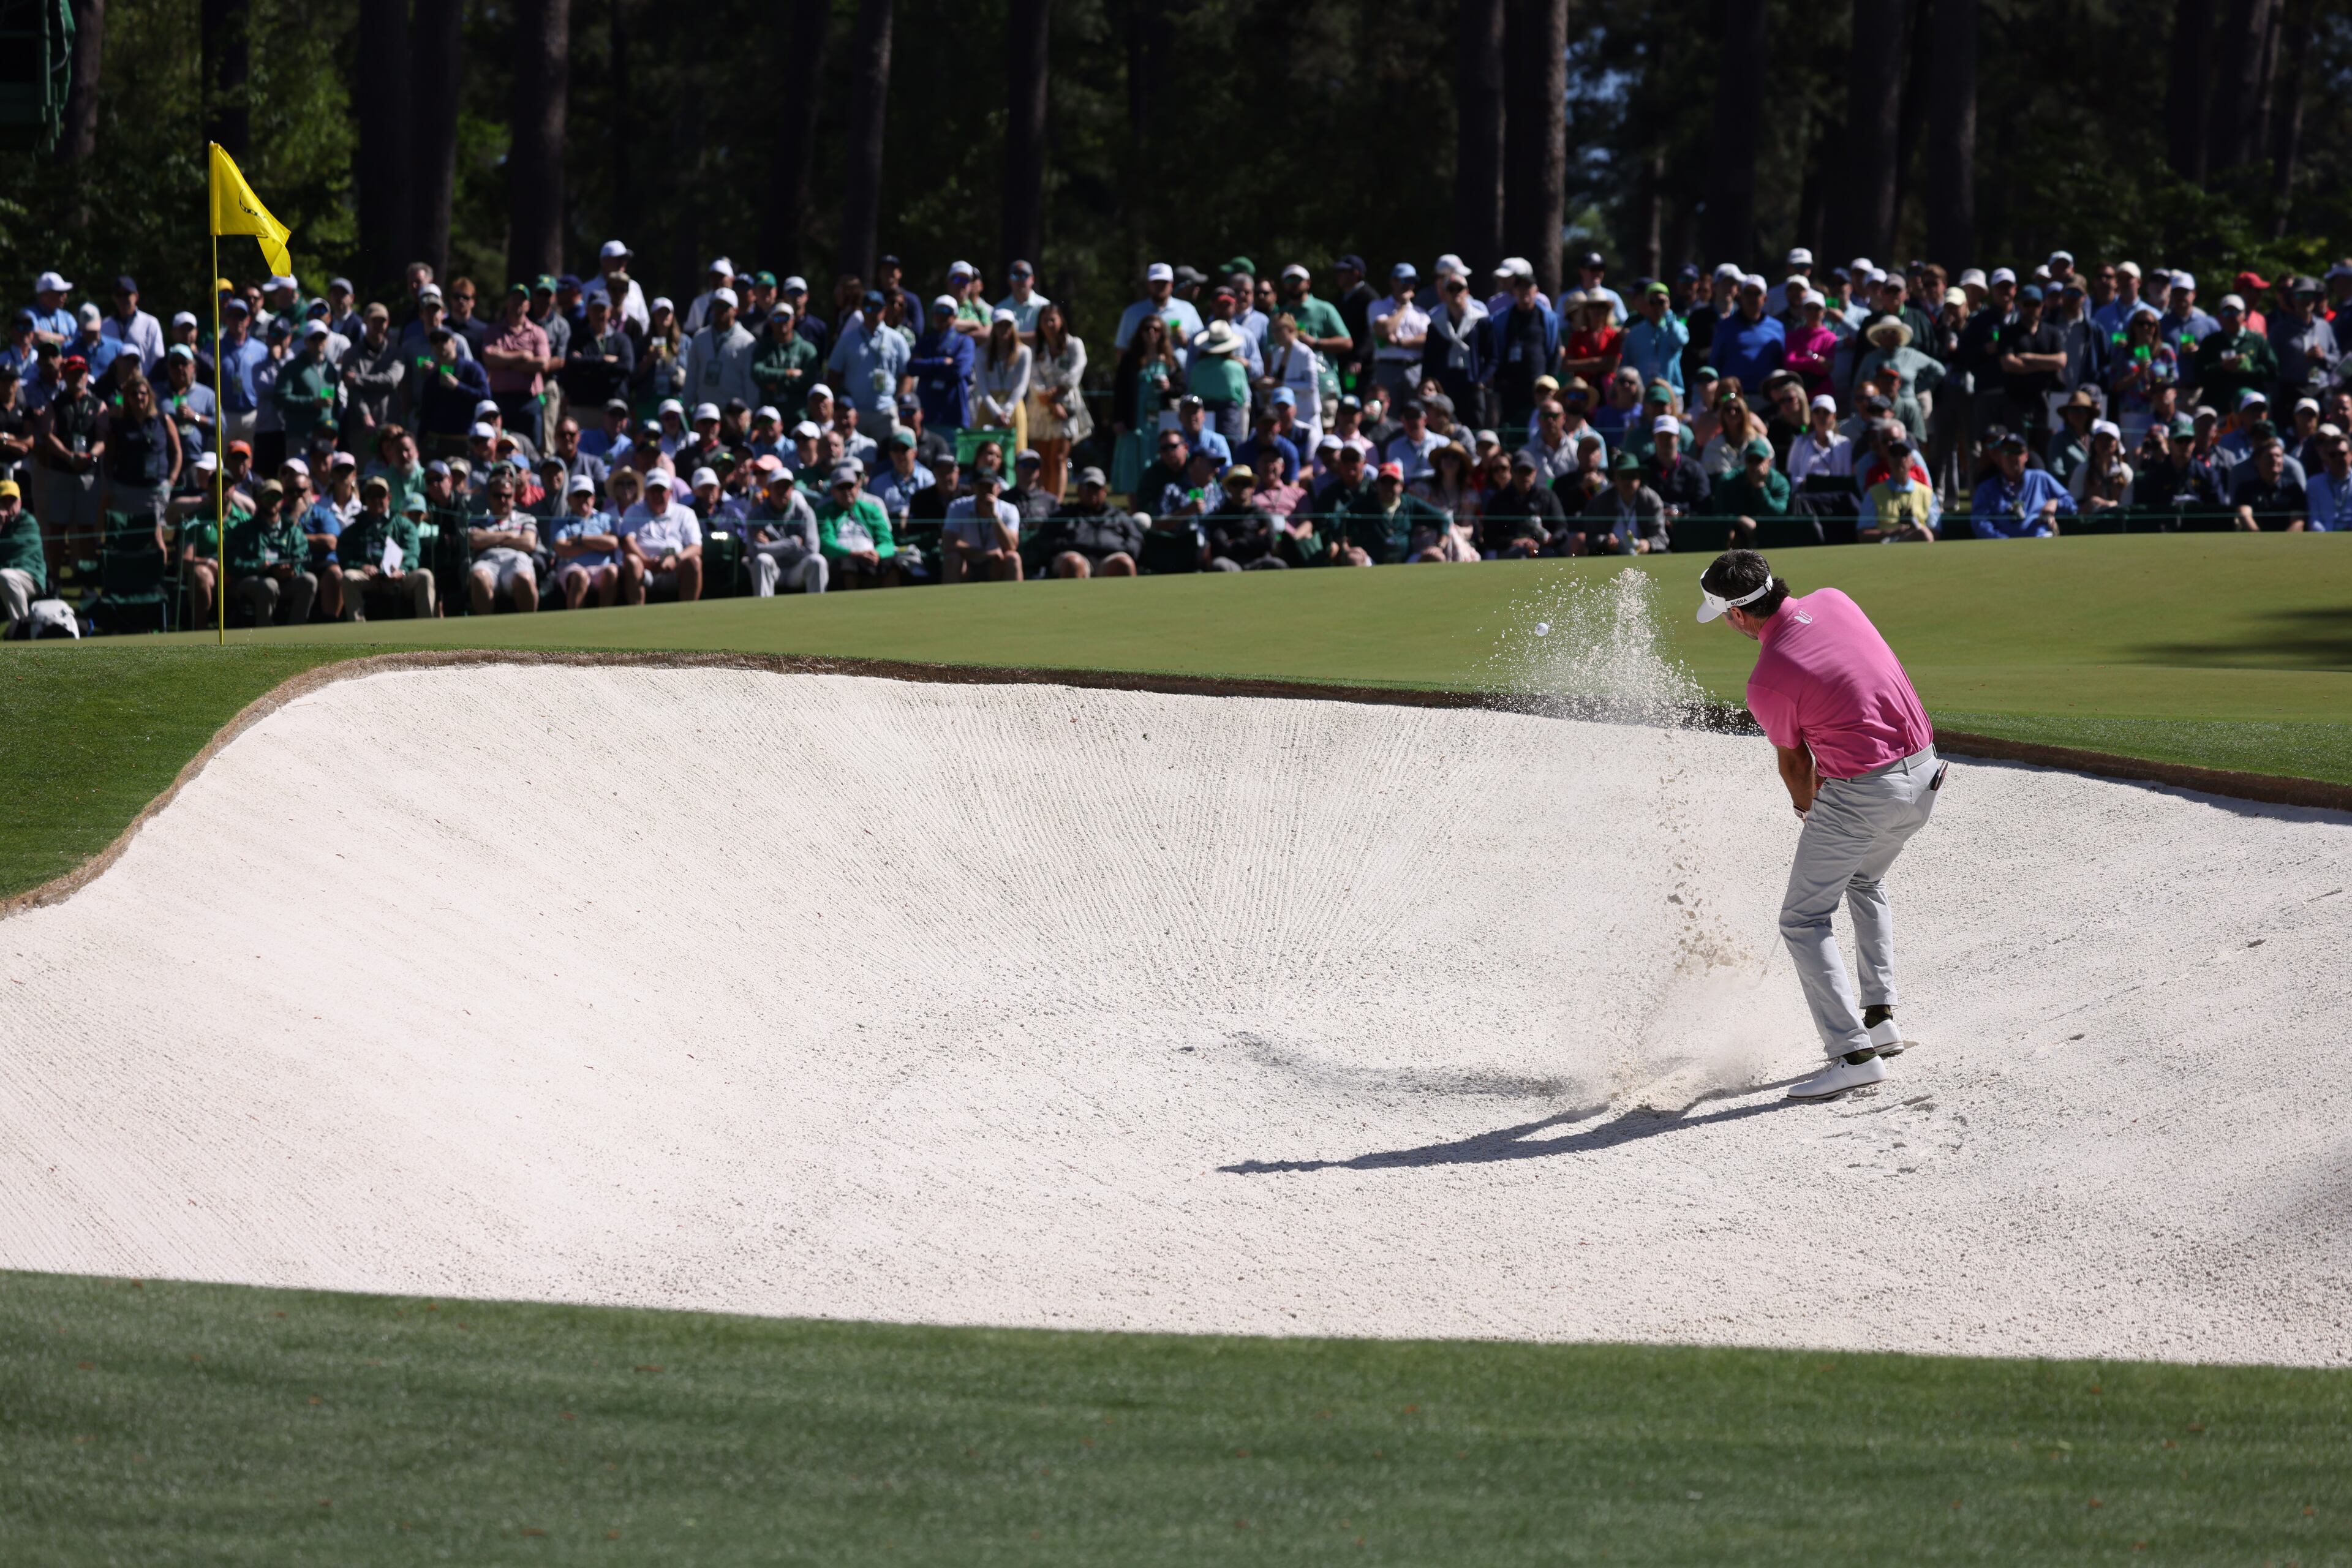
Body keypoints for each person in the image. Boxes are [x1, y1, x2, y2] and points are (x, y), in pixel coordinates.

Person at [1698, 548, 1942, 1101]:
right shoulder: (1835, 599)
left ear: (1738, 615)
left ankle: (1853, 1055)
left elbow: (1795, 764)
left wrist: (1810, 812)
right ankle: (1881, 1020)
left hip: (1866, 794)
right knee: (1864, 879)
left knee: (1803, 920)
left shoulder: (1766, 680)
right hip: (1926, 773)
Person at [335, 475, 435, 619]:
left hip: (399, 576)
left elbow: (413, 554)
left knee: (425, 575)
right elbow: (344, 558)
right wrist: (362, 566)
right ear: (366, 499)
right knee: (349, 577)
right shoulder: (355, 528)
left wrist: (404, 570)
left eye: (381, 495)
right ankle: (357, 629)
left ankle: (427, 629)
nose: (377, 500)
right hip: (370, 577)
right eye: (372, 496)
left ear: (389, 498)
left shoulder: (404, 524)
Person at [225, 479, 316, 625]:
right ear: (259, 500)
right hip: (252, 580)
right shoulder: (243, 530)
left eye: (277, 497)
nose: (272, 501)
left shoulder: (292, 530)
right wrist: (259, 566)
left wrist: (293, 571)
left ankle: (296, 633)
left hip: (286, 582)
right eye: (268, 497)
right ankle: (266, 635)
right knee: (269, 584)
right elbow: (232, 564)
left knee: (309, 580)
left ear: (283, 500)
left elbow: (304, 559)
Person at [1025, 303, 1089, 499]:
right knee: (1043, 459)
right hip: (1041, 407)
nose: (1049, 324)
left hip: (1067, 405)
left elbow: (1076, 370)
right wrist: (1052, 404)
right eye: (1045, 321)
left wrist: (1057, 393)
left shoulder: (1074, 344)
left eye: (1053, 320)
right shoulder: (1036, 349)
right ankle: (1043, 500)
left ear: (1061, 321)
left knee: (1060, 457)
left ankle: (1057, 503)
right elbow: (1034, 379)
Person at [614, 467, 702, 603]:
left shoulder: (685, 513)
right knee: (632, 561)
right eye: (652, 491)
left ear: (670, 492)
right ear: (646, 493)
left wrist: (676, 559)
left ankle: (689, 614)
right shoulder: (633, 511)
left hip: (676, 571)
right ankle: (636, 615)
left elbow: (696, 547)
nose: (656, 496)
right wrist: (646, 561)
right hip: (645, 569)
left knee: (694, 561)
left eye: (661, 491)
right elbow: (627, 542)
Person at [1969, 428, 2075, 536]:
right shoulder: (1986, 489)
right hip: (2002, 548)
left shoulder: (2041, 478)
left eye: (2017, 451)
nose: (2012, 457)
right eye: (2007, 451)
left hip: (2041, 542)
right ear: (1999, 457)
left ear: (2026, 456)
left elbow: (2072, 505)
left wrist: (2056, 503)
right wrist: (2003, 542)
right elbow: (1980, 523)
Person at [744, 467, 827, 595]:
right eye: (778, 486)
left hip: (797, 568)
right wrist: (792, 543)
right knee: (762, 559)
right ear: (769, 489)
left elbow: (811, 549)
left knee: (817, 560)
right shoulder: (756, 514)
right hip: (773, 568)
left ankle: (818, 610)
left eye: (786, 486)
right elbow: (754, 551)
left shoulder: (805, 512)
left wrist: (770, 546)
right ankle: (762, 611)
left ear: (792, 489)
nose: (782, 491)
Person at [815, 463, 899, 587]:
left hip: (872, 556)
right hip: (844, 558)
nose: (847, 492)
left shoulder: (871, 510)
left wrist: (877, 553)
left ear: (858, 487)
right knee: (848, 564)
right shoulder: (825, 512)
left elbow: (887, 541)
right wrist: (853, 554)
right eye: (841, 487)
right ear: (833, 491)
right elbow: (826, 543)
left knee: (894, 563)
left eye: (850, 486)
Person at [940, 467, 1023, 582]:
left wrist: (994, 516)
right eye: (981, 487)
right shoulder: (957, 506)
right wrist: (983, 554)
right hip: (968, 563)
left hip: (996, 565)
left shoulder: (1010, 510)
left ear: (998, 489)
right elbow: (948, 543)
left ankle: (1015, 598)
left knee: (1013, 558)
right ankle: (949, 599)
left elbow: (1012, 546)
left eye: (989, 487)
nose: (985, 492)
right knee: (952, 558)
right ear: (974, 488)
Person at [974, 311, 1033, 452]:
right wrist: (996, 413)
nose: (1003, 329)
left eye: (1007, 325)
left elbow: (1022, 386)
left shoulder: (1024, 352)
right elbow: (982, 386)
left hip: (1013, 405)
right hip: (989, 406)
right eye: (1000, 325)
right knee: (984, 450)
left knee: (1015, 451)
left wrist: (1007, 411)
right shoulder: (982, 352)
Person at [2230, 438, 2307, 530]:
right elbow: (2244, 515)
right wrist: (2259, 540)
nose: (2274, 460)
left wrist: (2283, 543)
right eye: (2269, 456)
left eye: (2278, 456)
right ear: (2257, 460)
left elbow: (2298, 522)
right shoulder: (2245, 489)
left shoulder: (2293, 489)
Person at [0, 478, 45, 627]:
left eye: (12, 500)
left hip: (29, 576)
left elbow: (13, 550)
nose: (8, 505)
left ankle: (23, 628)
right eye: (3, 500)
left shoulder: (28, 522)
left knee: (5, 576)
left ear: (19, 502)